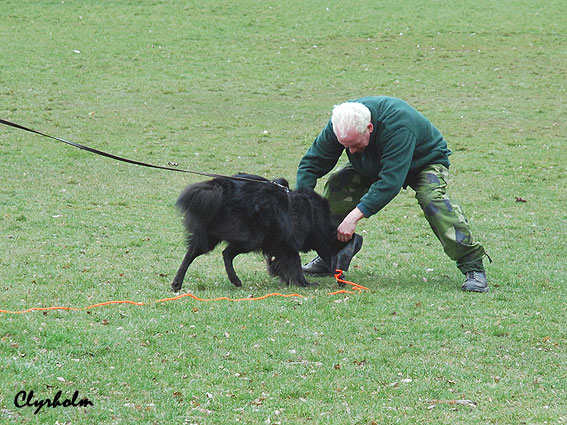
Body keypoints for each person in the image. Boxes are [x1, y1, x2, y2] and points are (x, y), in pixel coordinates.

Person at [296, 96, 490, 292]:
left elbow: (390, 183)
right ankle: (330, 253)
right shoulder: (341, 124)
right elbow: (311, 164)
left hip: (423, 161)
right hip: (376, 163)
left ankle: (473, 266)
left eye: (355, 144)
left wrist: (353, 217)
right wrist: (303, 203)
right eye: (346, 147)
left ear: (369, 128)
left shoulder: (398, 125)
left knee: (431, 199)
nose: (351, 151)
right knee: (339, 184)